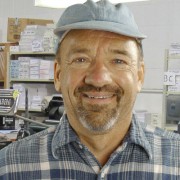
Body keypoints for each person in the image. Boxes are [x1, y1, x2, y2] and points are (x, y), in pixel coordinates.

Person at [0, 0, 180, 179]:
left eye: (118, 61)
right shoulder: (10, 167)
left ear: (139, 76)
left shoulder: (175, 161)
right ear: (58, 75)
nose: (99, 79)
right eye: (81, 60)